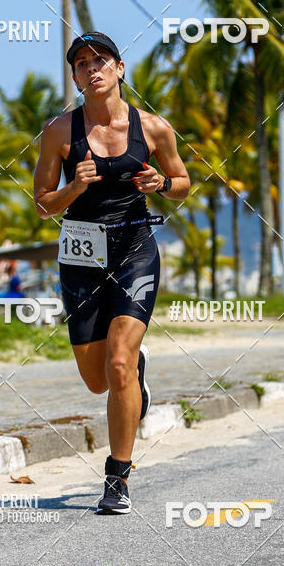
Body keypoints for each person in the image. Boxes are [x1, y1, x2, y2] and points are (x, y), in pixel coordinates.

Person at [33, 31, 190, 514]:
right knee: (98, 380)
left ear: (120, 69)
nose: (92, 68)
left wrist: (162, 183)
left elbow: (183, 183)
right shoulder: (60, 132)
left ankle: (117, 477)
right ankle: (135, 381)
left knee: (119, 363)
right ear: (76, 77)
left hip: (134, 252)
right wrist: (73, 188)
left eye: (101, 60)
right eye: (82, 63)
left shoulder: (154, 128)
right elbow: (42, 205)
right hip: (80, 257)